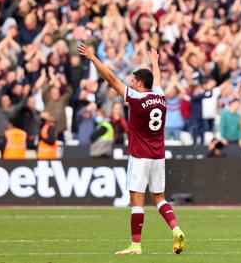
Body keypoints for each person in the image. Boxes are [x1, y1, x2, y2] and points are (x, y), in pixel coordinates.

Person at [78, 45, 185, 255]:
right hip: (158, 156)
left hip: (139, 157)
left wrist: (93, 58)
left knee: (136, 202)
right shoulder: (160, 97)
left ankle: (135, 245)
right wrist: (154, 61)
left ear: (140, 83)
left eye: (134, 80)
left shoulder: (136, 99)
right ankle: (176, 228)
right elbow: (158, 81)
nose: (131, 83)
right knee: (160, 199)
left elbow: (110, 78)